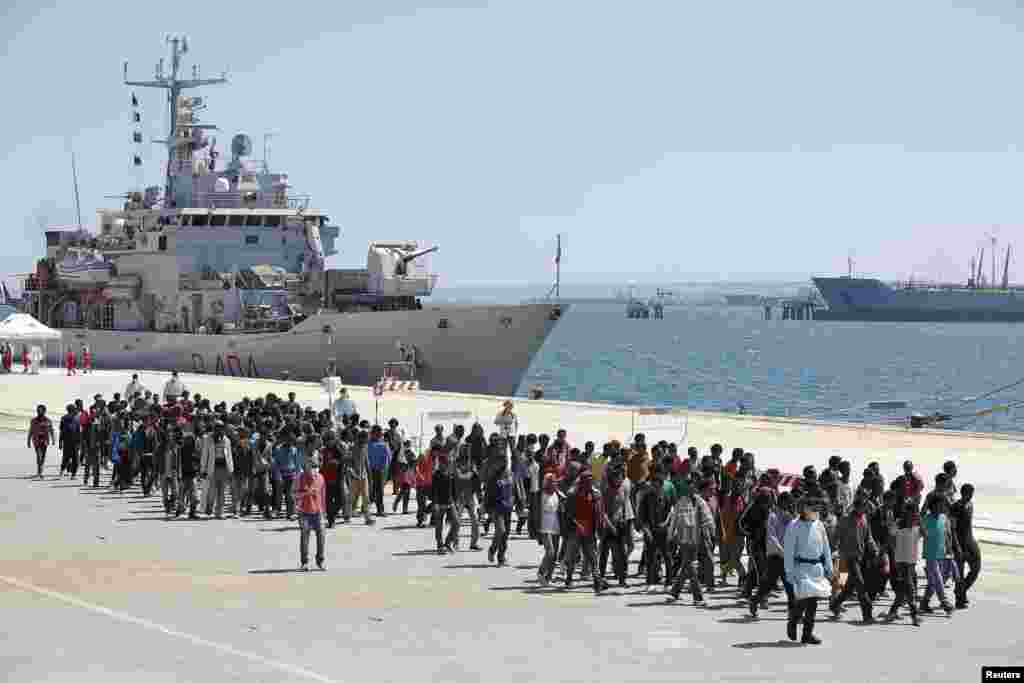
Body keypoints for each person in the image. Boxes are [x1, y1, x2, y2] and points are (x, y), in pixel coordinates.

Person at [784, 496, 832, 645]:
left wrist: (828, 566)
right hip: (801, 568)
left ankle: (807, 634)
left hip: (816, 568)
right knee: (805, 600)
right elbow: (789, 550)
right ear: (803, 509)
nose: (815, 511)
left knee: (813, 602)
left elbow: (826, 547)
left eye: (816, 508)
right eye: (812, 508)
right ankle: (793, 620)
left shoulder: (819, 525)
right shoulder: (793, 525)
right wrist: (789, 571)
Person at [828, 492, 879, 623]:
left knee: (849, 588)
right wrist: (833, 549)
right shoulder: (845, 519)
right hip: (848, 557)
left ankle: (834, 605)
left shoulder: (864, 519)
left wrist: (874, 548)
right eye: (863, 506)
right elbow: (835, 536)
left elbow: (869, 537)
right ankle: (867, 613)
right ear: (856, 507)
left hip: (859, 557)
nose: (865, 509)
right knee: (860, 585)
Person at [667, 475, 713, 605]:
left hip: (697, 539)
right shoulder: (681, 502)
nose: (692, 488)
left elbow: (708, 519)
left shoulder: (700, 501)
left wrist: (710, 533)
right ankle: (698, 597)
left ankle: (674, 593)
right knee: (691, 566)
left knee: (687, 566)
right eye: (689, 485)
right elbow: (674, 519)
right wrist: (671, 536)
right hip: (684, 539)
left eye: (693, 485)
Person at [750, 491, 795, 617]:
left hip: (787, 556)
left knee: (790, 585)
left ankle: (794, 613)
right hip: (776, 555)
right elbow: (771, 537)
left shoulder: (789, 517)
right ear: (781, 502)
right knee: (768, 584)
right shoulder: (773, 516)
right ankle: (755, 600)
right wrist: (781, 551)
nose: (790, 505)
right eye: (788, 502)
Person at [562, 469, 606, 592]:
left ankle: (597, 581)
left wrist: (600, 529)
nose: (589, 482)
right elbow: (568, 514)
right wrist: (573, 526)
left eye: (591, 480)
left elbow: (600, 513)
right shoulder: (573, 494)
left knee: (593, 557)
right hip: (575, 530)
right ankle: (569, 578)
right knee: (571, 556)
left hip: (590, 531)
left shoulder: (596, 494)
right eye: (586, 480)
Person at [886, 501, 922, 626]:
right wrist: (895, 552)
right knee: (910, 587)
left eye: (914, 513)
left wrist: (920, 522)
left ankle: (892, 611)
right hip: (901, 560)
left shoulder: (917, 525)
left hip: (912, 560)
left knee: (903, 590)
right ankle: (914, 614)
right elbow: (890, 539)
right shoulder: (898, 524)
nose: (912, 515)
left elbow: (925, 535)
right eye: (910, 513)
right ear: (905, 512)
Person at [920, 495, 957, 616]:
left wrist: (950, 550)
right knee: (938, 578)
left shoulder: (944, 518)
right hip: (930, 554)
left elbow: (948, 536)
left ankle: (924, 603)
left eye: (942, 505)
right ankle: (945, 603)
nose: (940, 507)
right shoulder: (925, 519)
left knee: (933, 581)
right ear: (932, 507)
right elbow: (918, 534)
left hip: (942, 553)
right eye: (938, 505)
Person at [295, 453, 327, 571]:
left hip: (318, 511)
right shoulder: (300, 477)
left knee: (321, 535)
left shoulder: (321, 478)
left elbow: (323, 496)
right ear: (305, 466)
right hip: (304, 512)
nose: (313, 468)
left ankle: (320, 561)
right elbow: (294, 494)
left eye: (315, 465)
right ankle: (304, 562)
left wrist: (324, 511)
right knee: (305, 536)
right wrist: (306, 493)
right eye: (310, 465)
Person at [951, 483, 980, 608]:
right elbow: (952, 529)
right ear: (963, 493)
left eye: (972, 494)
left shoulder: (970, 505)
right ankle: (960, 599)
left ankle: (961, 591)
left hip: (970, 541)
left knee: (976, 568)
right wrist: (956, 546)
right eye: (969, 494)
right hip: (959, 543)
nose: (971, 496)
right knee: (960, 573)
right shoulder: (956, 507)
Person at [201, 421, 234, 518]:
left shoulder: (226, 440)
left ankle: (219, 511)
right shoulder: (208, 439)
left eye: (221, 428)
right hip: (212, 468)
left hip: (224, 468)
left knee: (222, 491)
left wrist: (231, 470)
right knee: (211, 491)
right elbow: (204, 455)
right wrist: (203, 469)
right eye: (217, 428)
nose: (219, 430)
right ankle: (209, 507)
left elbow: (229, 456)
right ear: (214, 429)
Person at [487, 457, 515, 566]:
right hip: (496, 508)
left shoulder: (510, 474)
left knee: (505, 534)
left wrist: (516, 501)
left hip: (508, 508)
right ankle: (492, 549)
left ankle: (501, 557)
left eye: (505, 462)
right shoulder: (493, 477)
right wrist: (487, 507)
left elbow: (515, 489)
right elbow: (488, 493)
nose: (503, 464)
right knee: (501, 531)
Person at [537, 473, 564, 586]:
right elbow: (536, 512)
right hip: (545, 526)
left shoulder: (557, 493)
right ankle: (541, 572)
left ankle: (548, 577)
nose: (553, 484)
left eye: (554, 482)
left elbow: (563, 503)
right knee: (550, 552)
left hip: (555, 525)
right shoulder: (541, 495)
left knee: (555, 554)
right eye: (551, 482)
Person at [431, 448, 459, 554]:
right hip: (439, 503)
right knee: (439, 525)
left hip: (450, 502)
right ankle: (440, 545)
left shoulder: (451, 473)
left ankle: (448, 542)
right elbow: (433, 491)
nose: (445, 464)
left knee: (456, 523)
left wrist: (455, 502)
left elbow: (453, 489)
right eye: (443, 462)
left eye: (447, 462)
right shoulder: (436, 475)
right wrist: (435, 504)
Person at [454, 450, 481, 551]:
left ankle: (474, 543)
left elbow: (477, 479)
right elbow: (460, 477)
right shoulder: (456, 464)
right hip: (460, 496)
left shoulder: (471, 464)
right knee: (457, 521)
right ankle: (455, 543)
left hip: (470, 495)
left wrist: (474, 473)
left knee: (475, 521)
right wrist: (471, 473)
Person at [367, 425, 392, 517]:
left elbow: (388, 459)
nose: (376, 435)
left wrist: (384, 469)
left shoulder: (384, 445)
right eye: (374, 433)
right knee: (371, 490)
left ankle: (380, 510)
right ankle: (368, 509)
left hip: (380, 471)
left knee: (378, 491)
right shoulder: (368, 444)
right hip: (370, 470)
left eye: (378, 433)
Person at [27, 405, 55, 479]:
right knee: (39, 456)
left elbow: (51, 430)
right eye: (38, 410)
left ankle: (40, 471)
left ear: (44, 411)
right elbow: (31, 430)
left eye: (40, 410)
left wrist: (53, 439)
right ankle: (40, 472)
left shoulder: (48, 420)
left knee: (42, 457)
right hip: (36, 440)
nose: (39, 412)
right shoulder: (33, 420)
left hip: (45, 440)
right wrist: (28, 440)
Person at [58, 404, 81, 479]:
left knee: (75, 459)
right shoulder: (64, 418)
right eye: (74, 409)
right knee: (66, 458)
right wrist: (60, 442)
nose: (75, 410)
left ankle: (72, 474)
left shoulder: (76, 419)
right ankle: (62, 472)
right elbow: (61, 431)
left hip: (74, 442)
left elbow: (78, 431)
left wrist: (79, 442)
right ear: (71, 410)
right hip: (68, 441)